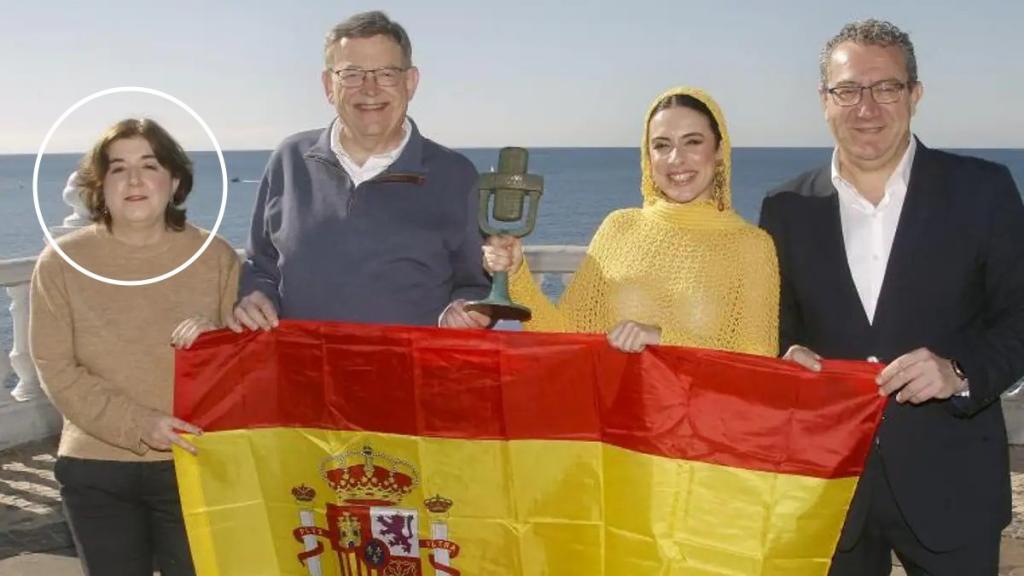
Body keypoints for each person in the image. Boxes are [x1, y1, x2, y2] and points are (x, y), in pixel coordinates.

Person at [759, 19, 1024, 576]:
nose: (866, 108)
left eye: (886, 87)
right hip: (829, 491)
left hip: (952, 486)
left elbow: (1018, 317)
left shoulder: (984, 190)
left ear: (915, 94)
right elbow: (777, 327)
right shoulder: (784, 208)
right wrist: (784, 357)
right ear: (824, 100)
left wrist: (959, 371)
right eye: (848, 90)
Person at [30, 118, 239, 576]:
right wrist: (141, 425)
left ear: (175, 180)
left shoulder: (216, 257)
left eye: (149, 165)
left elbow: (247, 370)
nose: (135, 180)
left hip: (195, 463)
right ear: (100, 185)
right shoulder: (60, 265)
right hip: (96, 469)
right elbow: (55, 368)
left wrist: (219, 340)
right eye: (118, 168)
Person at [229, 10, 491, 333]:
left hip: (412, 366)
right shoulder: (289, 160)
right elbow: (261, 265)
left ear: (410, 82)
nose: (370, 89)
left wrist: (464, 311)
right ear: (329, 85)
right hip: (302, 364)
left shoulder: (455, 176)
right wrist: (256, 295)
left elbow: (476, 284)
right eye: (351, 74)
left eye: (386, 74)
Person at [484, 87, 779, 356]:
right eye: (661, 145)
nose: (676, 158)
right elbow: (565, 334)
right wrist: (516, 274)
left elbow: (759, 359)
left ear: (719, 151)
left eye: (692, 142)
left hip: (699, 401)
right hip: (612, 399)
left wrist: (663, 339)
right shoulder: (618, 228)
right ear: (648, 157)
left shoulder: (752, 246)